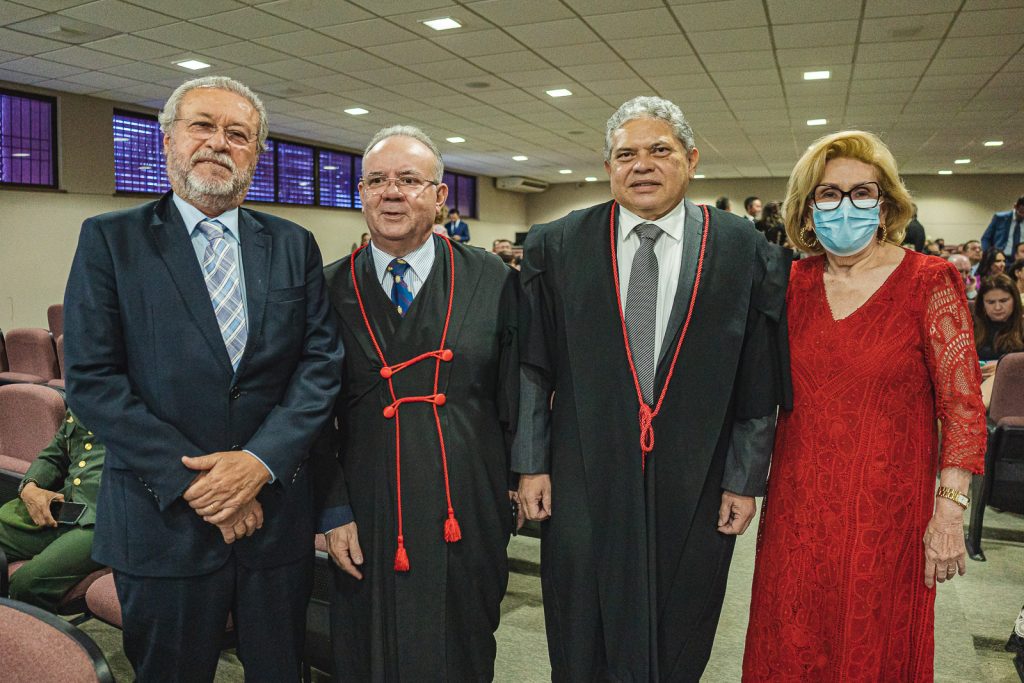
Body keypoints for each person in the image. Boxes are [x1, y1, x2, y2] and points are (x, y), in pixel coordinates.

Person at [63, 76, 343, 682]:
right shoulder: (110, 241)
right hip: (163, 521)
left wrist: (257, 464)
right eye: (203, 126)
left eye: (238, 134)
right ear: (167, 141)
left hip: (274, 518)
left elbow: (320, 367)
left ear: (256, 154)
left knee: (280, 671)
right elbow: (92, 379)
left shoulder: (294, 245)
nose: (219, 143)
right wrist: (202, 485)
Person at [515, 96, 791, 681]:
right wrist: (531, 465)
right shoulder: (558, 245)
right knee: (580, 620)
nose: (641, 165)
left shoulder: (743, 249)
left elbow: (757, 377)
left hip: (696, 471)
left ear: (690, 160)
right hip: (584, 467)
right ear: (608, 166)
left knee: (682, 617)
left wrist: (745, 478)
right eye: (625, 154)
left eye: (659, 150)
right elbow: (533, 367)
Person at [743, 130, 987, 681]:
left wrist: (949, 510)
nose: (845, 206)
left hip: (887, 517)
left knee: (872, 648)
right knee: (789, 644)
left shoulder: (930, 282)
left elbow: (965, 408)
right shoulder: (788, 284)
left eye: (862, 192)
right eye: (828, 194)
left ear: (886, 205)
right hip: (797, 511)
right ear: (807, 210)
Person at [315, 125, 520, 681]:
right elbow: (310, 415)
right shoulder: (327, 288)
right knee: (369, 650)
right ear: (360, 194)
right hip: (366, 504)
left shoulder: (493, 280)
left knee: (463, 645)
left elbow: (515, 395)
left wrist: (518, 483)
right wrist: (332, 509)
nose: (392, 193)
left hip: (466, 501)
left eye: (409, 180)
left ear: (439, 195)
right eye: (377, 181)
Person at [0, 409, 104, 611]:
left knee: (27, 585)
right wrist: (30, 486)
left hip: (105, 519)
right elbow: (55, 454)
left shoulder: (147, 399)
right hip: (65, 506)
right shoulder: (83, 397)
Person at [974, 273, 1024, 408]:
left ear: (1014, 300)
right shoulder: (971, 327)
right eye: (990, 302)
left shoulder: (1022, 327)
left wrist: (1003, 367)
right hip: (972, 382)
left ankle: (974, 411)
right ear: (982, 304)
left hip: (1012, 387)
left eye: (1003, 301)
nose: (997, 308)